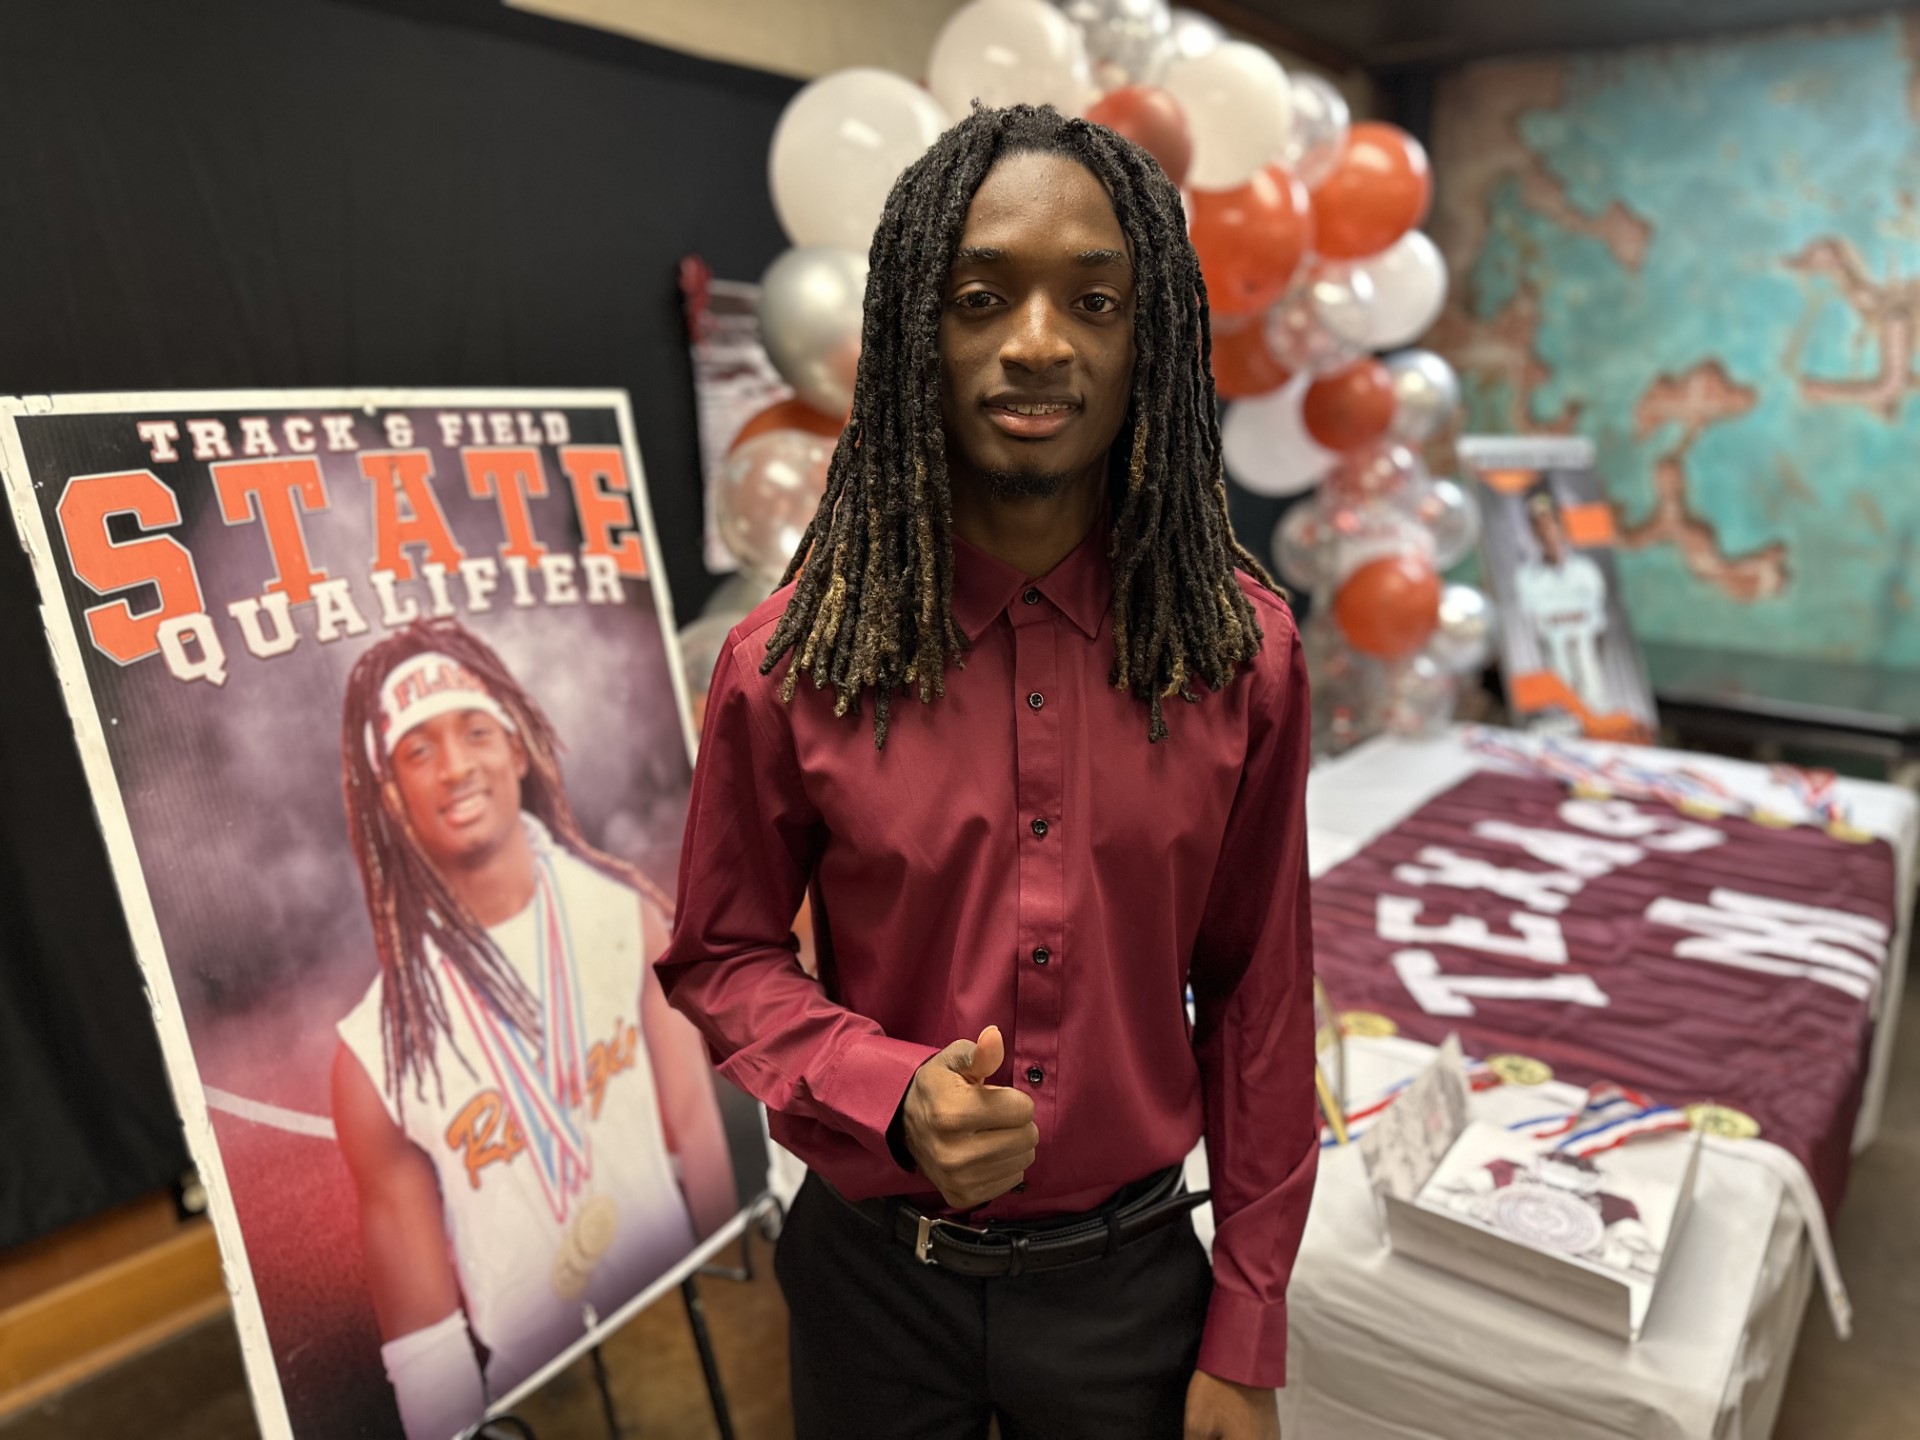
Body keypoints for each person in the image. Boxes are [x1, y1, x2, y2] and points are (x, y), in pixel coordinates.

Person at [660, 105, 1315, 1440]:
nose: (1035, 342)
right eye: (979, 295)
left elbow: (1259, 996)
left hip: (1133, 1299)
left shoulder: (1241, 657)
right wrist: (884, 1090)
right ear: (915, 329)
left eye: (1094, 300)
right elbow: (721, 956)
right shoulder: (788, 663)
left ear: (1155, 343)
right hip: (872, 1296)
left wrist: (1246, 1332)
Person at [330, 619, 737, 1440]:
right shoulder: (374, 1052)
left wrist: (741, 1326)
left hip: (686, 1326)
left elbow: (697, 1133)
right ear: (391, 801)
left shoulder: (627, 919)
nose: (454, 768)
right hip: (535, 1401)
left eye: (475, 731)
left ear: (516, 748)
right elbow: (426, 1343)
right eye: (417, 752)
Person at [1514, 490, 1612, 714]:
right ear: (1533, 531)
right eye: (1540, 525)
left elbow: (1600, 628)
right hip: (1555, 669)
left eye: (1551, 523)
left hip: (1588, 663)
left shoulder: (1587, 571)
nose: (1547, 532)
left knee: (1595, 706)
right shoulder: (1526, 578)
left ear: (1561, 525)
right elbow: (1532, 629)